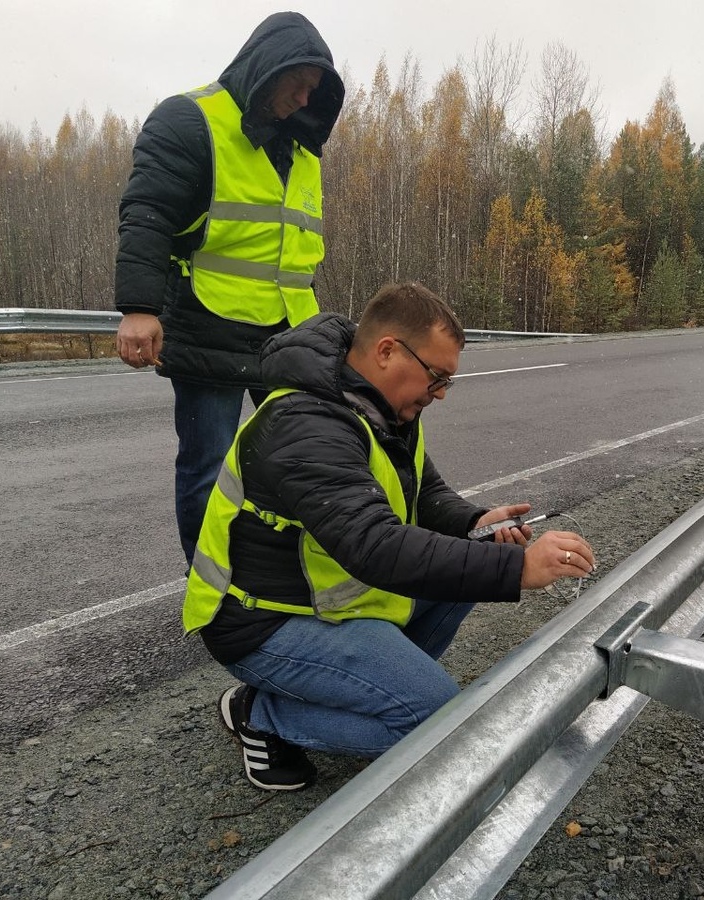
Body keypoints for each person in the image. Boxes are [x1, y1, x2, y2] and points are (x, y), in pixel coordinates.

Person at [182, 283, 596, 791]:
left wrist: (476, 523)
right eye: (437, 377)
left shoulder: (383, 408)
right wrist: (520, 569)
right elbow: (373, 545)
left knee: (474, 563)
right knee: (437, 723)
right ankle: (263, 713)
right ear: (386, 352)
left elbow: (425, 492)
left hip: (326, 597)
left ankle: (372, 688)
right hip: (261, 621)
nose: (440, 393)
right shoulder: (305, 423)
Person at [113, 12, 346, 567]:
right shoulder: (190, 120)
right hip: (208, 322)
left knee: (303, 456)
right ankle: (212, 589)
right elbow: (147, 214)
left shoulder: (301, 147)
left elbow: (292, 250)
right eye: (298, 82)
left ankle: (287, 576)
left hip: (290, 334)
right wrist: (140, 308)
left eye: (315, 90)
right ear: (268, 69)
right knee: (208, 467)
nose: (302, 97)